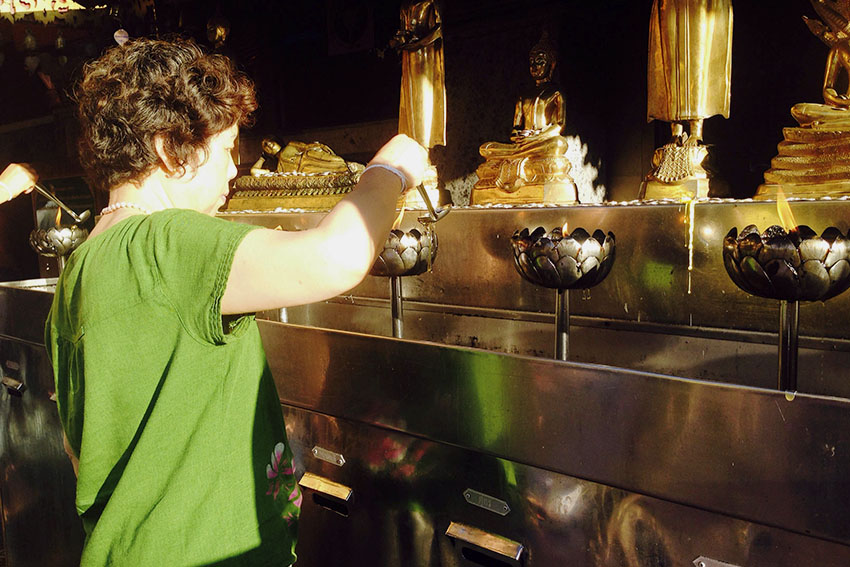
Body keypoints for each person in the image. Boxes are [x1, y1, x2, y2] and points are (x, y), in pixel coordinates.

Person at [45, 37, 427, 567]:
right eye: (226, 150)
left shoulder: (83, 268)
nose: (235, 171)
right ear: (168, 148)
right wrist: (390, 170)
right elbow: (334, 257)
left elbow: (80, 449)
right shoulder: (167, 242)